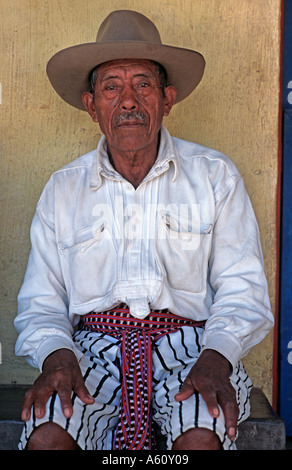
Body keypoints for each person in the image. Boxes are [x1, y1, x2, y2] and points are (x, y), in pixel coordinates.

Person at [14, 10, 274, 451]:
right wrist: (56, 357)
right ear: (92, 105)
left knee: (202, 428)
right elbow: (41, 302)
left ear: (167, 99)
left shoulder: (214, 177)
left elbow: (242, 289)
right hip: (91, 354)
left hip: (194, 348)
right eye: (111, 87)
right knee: (47, 431)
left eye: (143, 85)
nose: (128, 101)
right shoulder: (63, 189)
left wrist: (217, 357)